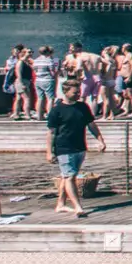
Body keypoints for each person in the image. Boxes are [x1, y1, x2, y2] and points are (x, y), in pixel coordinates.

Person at [47, 78, 105, 217]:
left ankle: (60, 204)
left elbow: (91, 125)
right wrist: (49, 152)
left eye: (79, 92)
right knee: (70, 177)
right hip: (63, 147)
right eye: (74, 92)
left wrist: (100, 140)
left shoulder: (83, 107)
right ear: (65, 92)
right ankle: (78, 206)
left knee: (66, 176)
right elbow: (51, 133)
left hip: (80, 147)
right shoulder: (57, 111)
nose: (78, 94)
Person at [32, 46, 57, 117]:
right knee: (50, 99)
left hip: (38, 80)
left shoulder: (36, 60)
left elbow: (35, 70)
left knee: (40, 98)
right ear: (47, 52)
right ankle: (50, 115)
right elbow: (52, 72)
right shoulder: (49, 60)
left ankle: (39, 116)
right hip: (48, 80)